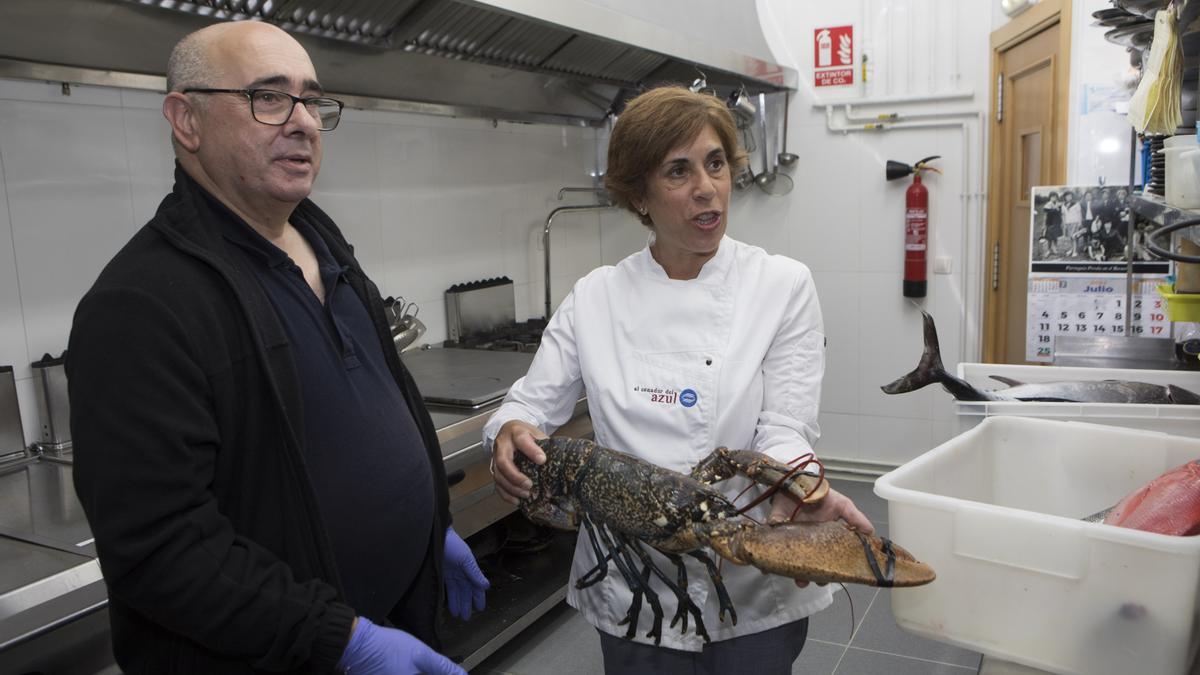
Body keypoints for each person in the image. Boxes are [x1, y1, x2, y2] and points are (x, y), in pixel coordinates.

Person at [67, 21, 485, 675]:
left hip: (395, 617)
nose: (304, 123)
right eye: (269, 97)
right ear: (186, 120)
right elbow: (161, 549)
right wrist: (342, 639)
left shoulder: (321, 241)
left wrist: (433, 528)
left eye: (312, 100)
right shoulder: (141, 304)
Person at [484, 86, 873, 674]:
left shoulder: (781, 285)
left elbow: (784, 428)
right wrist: (509, 431)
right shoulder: (596, 297)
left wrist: (805, 489)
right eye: (677, 171)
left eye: (715, 163)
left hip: (750, 575)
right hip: (633, 584)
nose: (706, 188)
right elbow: (527, 407)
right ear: (639, 194)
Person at [1060, 191, 1082, 257]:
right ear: (1065, 197)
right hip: (1068, 223)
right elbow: (1063, 215)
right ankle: (1072, 249)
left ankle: (1075, 252)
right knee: (1071, 237)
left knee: (1074, 237)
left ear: (1071, 196)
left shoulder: (1076, 204)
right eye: (1067, 196)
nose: (1068, 197)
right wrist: (1064, 224)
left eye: (1070, 196)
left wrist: (1080, 222)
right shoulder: (1063, 205)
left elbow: (1079, 214)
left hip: (1075, 222)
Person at [1041, 192, 1062, 257]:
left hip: (1057, 222)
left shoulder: (1059, 205)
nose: (1054, 198)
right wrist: (1044, 224)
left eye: (1055, 197)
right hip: (1049, 223)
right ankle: (1049, 250)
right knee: (1049, 237)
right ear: (1050, 198)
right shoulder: (1047, 205)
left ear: (1057, 197)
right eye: (1052, 197)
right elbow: (1045, 216)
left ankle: (1055, 248)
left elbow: (1060, 214)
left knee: (1055, 236)